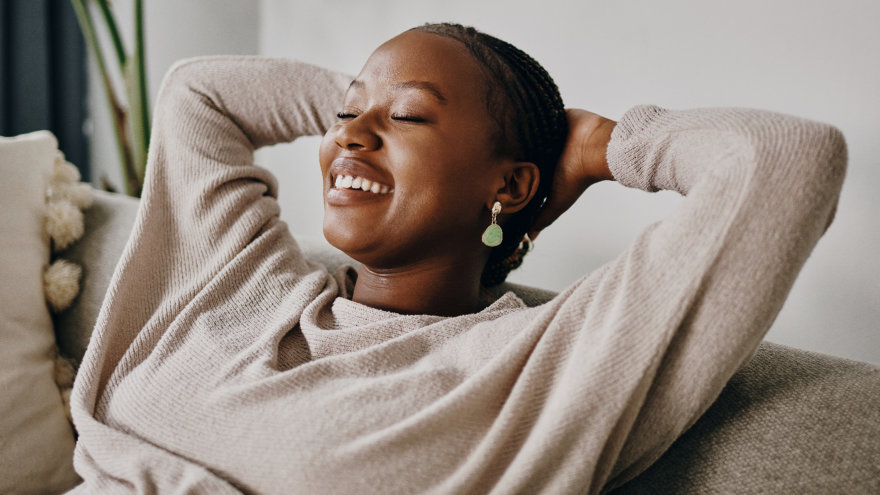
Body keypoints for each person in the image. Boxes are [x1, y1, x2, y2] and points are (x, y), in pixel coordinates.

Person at [68, 23, 846, 493]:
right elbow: (197, 95)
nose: (349, 132)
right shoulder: (241, 281)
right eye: (344, 114)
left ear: (508, 182)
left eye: (408, 115)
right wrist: (375, 102)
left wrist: (601, 148)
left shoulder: (538, 372)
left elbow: (787, 160)